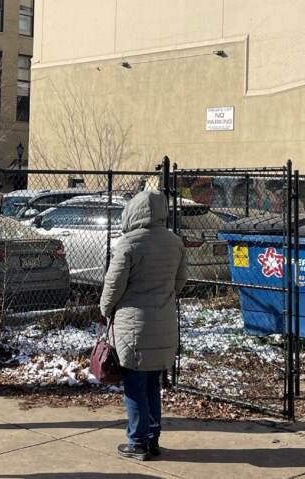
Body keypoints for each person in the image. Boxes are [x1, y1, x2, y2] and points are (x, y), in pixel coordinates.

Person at [99, 190, 187, 461]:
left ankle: (137, 443)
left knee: (135, 387)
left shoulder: (128, 244)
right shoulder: (175, 243)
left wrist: (105, 310)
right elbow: (181, 281)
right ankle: (153, 438)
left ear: (133, 212)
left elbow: (113, 287)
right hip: (163, 322)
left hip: (133, 326)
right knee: (152, 385)